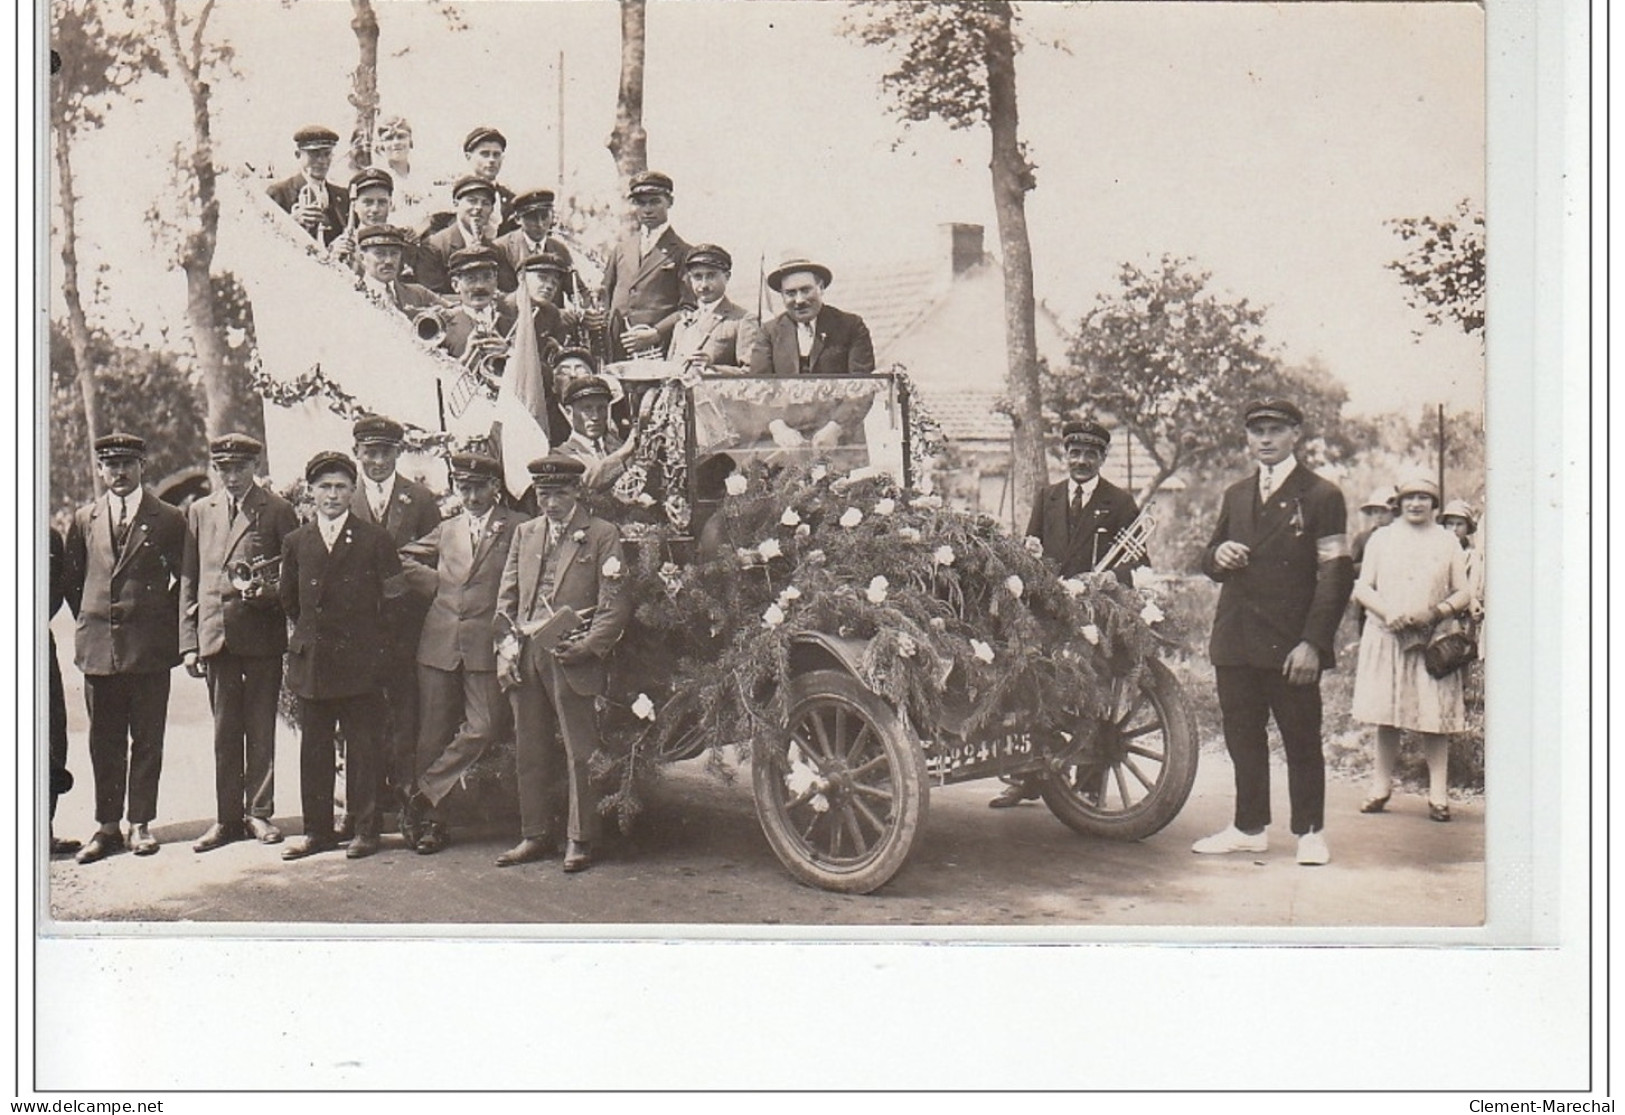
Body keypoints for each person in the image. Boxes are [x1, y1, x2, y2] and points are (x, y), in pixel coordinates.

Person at [1193, 398, 1354, 866]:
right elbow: (1207, 556)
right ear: (1247, 436)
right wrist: (1217, 556)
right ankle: (1248, 827)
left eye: (1275, 430)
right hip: (1236, 637)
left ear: (1295, 435)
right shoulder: (1236, 494)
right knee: (1242, 736)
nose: (1264, 439)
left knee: (1301, 737)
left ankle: (1310, 832)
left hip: (1290, 643)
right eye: (1256, 430)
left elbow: (1336, 575)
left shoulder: (1322, 495)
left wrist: (1314, 643)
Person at [988, 419, 1145, 809]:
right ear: (1065, 455)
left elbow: (1139, 562)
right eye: (1075, 453)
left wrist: (1112, 575)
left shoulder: (1120, 501)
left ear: (1102, 458)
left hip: (1095, 614)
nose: (1081, 461)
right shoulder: (1049, 497)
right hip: (1051, 611)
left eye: (1090, 454)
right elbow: (1032, 549)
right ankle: (1029, 778)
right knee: (1032, 685)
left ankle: (1089, 782)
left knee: (1092, 693)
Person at [495, 456, 631, 872]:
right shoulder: (526, 532)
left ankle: (581, 838)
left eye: (558, 494)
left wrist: (589, 646)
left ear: (576, 492)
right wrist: (505, 649)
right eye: (543, 494)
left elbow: (615, 604)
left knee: (579, 749)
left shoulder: (602, 535)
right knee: (530, 747)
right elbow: (507, 598)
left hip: (572, 651)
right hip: (527, 650)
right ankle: (533, 834)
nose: (550, 503)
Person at [62, 433, 186, 863]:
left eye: (127, 464)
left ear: (141, 467)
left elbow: (183, 581)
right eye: (110, 464)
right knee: (104, 741)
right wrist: (98, 620)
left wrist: (156, 620)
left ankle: (140, 824)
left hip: (149, 649)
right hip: (99, 648)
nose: (119, 472)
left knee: (147, 739)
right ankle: (107, 825)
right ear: (100, 469)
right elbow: (74, 584)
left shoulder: (168, 518)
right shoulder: (83, 519)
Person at [396, 452, 527, 853]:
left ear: (494, 488)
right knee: (432, 736)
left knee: (483, 726)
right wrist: (436, 584)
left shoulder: (518, 527)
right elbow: (402, 557)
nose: (470, 496)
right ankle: (432, 823)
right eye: (463, 487)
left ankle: (421, 792)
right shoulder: (448, 529)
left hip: (487, 645)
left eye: (478, 487)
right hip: (439, 642)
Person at [278, 451, 404, 861]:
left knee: (363, 747)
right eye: (324, 487)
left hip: (360, 662)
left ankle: (365, 828)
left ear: (353, 491)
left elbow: (393, 602)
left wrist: (374, 650)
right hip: (313, 661)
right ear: (310, 492)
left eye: (340, 487)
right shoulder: (296, 542)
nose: (332, 495)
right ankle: (317, 831)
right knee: (314, 748)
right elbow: (290, 603)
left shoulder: (374, 539)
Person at [179, 434, 302, 852]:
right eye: (224, 469)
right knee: (224, 732)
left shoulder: (278, 509)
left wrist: (268, 595)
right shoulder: (199, 511)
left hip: (261, 635)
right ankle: (226, 818)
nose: (232, 477)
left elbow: (293, 571)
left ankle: (259, 813)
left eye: (240, 468)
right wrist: (189, 643)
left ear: (255, 466)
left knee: (260, 727)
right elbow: (190, 580)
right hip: (216, 637)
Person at [1351, 478, 1474, 822]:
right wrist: (1388, 612)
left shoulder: (1447, 541)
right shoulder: (1382, 538)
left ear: (1434, 503)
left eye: (1424, 498)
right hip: (1388, 635)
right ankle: (1380, 787)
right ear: (1399, 502)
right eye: (1410, 498)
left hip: (1431, 639)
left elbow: (1462, 592)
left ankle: (1438, 795)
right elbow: (1362, 586)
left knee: (1433, 718)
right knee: (1387, 717)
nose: (1416, 504)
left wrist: (1435, 613)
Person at [349, 415, 442, 836]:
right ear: (357, 453)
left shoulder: (419, 499)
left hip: (405, 627)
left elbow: (433, 560)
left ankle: (410, 808)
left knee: (407, 718)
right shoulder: (340, 496)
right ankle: (365, 812)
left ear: (397, 453)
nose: (378, 460)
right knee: (362, 717)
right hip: (357, 631)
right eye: (370, 452)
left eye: (385, 451)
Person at [596, 171, 691, 362]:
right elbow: (605, 294)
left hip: (658, 351)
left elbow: (690, 308)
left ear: (669, 202)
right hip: (618, 349)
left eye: (655, 201)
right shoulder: (622, 248)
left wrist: (656, 333)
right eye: (640, 203)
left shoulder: (684, 252)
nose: (647, 209)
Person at [749, 257, 876, 377]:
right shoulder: (769, 332)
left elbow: (862, 385)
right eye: (790, 293)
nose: (799, 300)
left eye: (805, 290)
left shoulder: (851, 326)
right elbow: (760, 387)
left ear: (820, 288)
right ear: (782, 295)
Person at [666, 243, 763, 373]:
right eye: (697, 277)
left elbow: (752, 373)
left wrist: (713, 369)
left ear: (727, 277)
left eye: (711, 276)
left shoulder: (743, 320)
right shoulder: (683, 324)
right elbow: (670, 369)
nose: (704, 285)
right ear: (690, 278)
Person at [414, 176, 519, 295]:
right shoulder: (434, 246)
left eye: (485, 203)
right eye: (472, 201)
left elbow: (508, 291)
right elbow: (430, 295)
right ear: (456, 203)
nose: (479, 208)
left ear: (491, 210)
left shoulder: (496, 250)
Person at [436, 246, 520, 381]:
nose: (480, 286)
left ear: (496, 281)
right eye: (471, 279)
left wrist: (509, 354)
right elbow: (432, 381)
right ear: (455, 285)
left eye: (487, 277)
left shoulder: (514, 324)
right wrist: (465, 359)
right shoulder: (442, 326)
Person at [267, 125, 350, 246]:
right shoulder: (278, 192)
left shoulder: (343, 195)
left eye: (327, 154)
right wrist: (292, 222)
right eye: (314, 154)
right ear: (297, 155)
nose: (322, 161)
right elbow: (267, 238)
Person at [48, 527, 78, 856]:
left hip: (35, 642)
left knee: (51, 738)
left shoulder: (48, 536)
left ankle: (42, 829)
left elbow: (59, 589)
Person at [557, 375, 637, 494]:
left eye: (602, 408)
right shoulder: (560, 455)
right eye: (587, 409)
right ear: (569, 412)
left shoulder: (615, 447)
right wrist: (625, 451)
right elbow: (585, 484)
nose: (596, 416)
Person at [354, 225, 442, 319]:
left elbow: (454, 310)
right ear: (362, 258)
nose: (389, 261)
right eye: (380, 254)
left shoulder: (419, 293)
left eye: (394, 253)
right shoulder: (352, 296)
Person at [496, 189, 574, 289]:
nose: (540, 224)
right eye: (532, 217)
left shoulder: (560, 249)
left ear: (552, 216)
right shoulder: (501, 248)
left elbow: (577, 290)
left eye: (545, 216)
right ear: (518, 219)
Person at [460, 125, 518, 237]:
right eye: (485, 154)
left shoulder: (511, 201)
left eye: (496, 155)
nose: (492, 160)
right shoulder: (452, 197)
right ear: (468, 156)